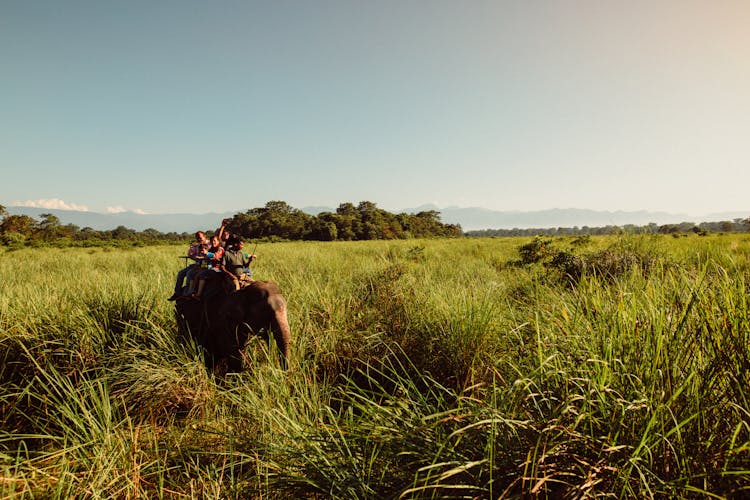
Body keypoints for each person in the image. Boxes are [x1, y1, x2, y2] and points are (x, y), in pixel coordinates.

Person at [168, 231, 208, 301]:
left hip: (205, 264)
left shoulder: (209, 244)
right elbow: (191, 255)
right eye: (198, 238)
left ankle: (188, 292)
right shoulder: (197, 245)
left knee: (189, 273)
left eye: (200, 238)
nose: (199, 239)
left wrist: (201, 257)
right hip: (197, 263)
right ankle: (177, 293)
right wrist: (192, 249)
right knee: (181, 273)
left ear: (205, 237)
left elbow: (209, 256)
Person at [189, 234, 226, 299]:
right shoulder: (211, 248)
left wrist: (207, 254)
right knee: (193, 273)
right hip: (209, 267)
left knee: (202, 274)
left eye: (214, 241)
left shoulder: (220, 249)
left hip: (217, 268)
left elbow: (216, 256)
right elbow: (206, 259)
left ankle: (199, 294)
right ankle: (191, 292)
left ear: (218, 241)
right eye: (211, 241)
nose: (213, 242)